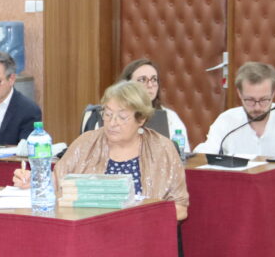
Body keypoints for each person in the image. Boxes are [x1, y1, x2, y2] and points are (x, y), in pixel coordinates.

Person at [13, 81, 190, 220]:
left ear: (141, 119)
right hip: (91, 232)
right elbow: (55, 183)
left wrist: (136, 218)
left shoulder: (162, 149)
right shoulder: (86, 143)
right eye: (108, 114)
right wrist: (33, 180)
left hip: (143, 235)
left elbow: (181, 209)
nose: (112, 123)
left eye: (122, 117)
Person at [194, 61, 275, 159]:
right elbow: (205, 154)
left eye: (264, 100)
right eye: (250, 100)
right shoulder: (227, 120)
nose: (257, 107)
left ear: (273, 93)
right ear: (239, 94)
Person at [119, 58, 190, 152]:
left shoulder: (170, 117)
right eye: (142, 80)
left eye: (154, 79)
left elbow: (183, 154)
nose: (150, 85)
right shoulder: (112, 115)